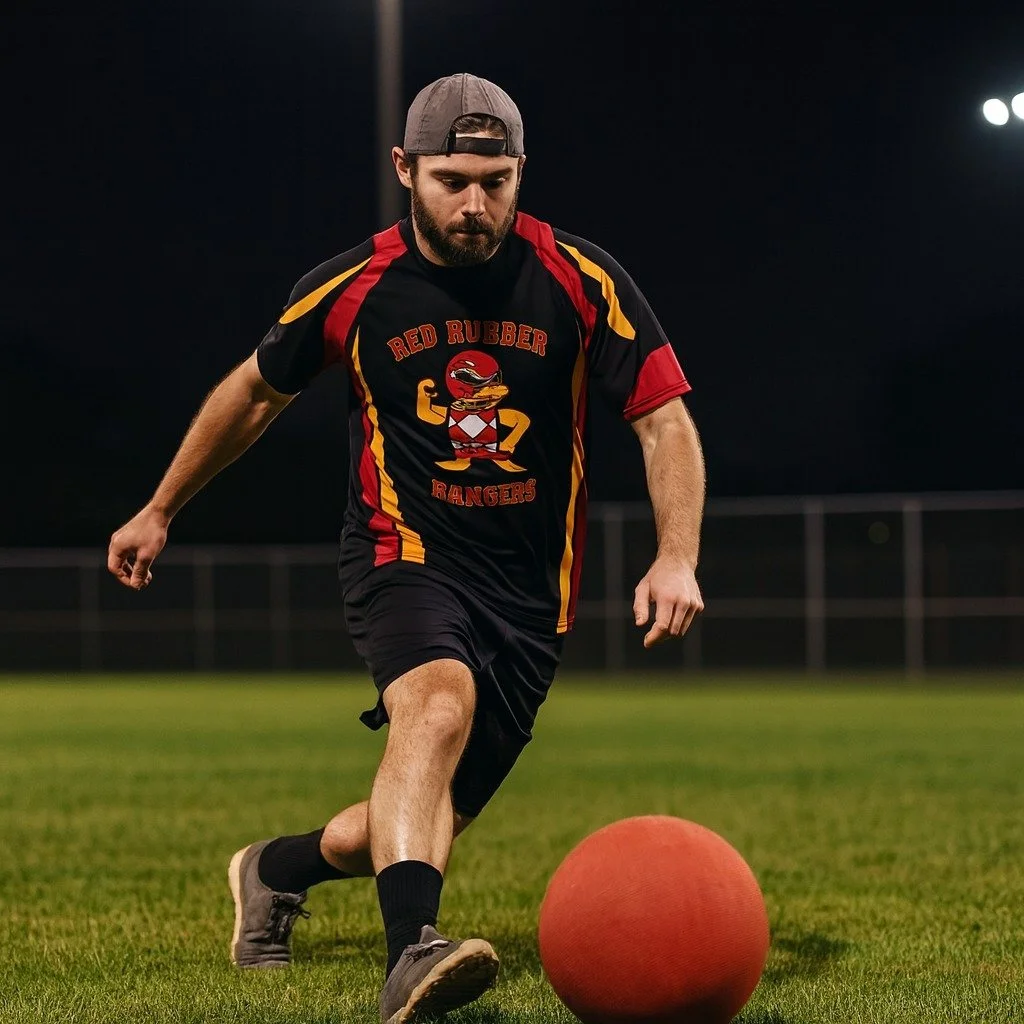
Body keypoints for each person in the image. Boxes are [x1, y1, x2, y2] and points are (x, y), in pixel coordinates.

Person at [107, 73, 706, 1024]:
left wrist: (677, 552)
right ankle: (410, 956)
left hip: (529, 598)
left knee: (418, 823)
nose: (475, 203)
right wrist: (160, 506)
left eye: (495, 180)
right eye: (451, 178)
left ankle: (276, 867)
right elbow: (257, 391)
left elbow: (663, 420)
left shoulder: (581, 279)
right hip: (403, 555)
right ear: (405, 170)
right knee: (433, 707)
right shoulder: (355, 286)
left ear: (521, 173)